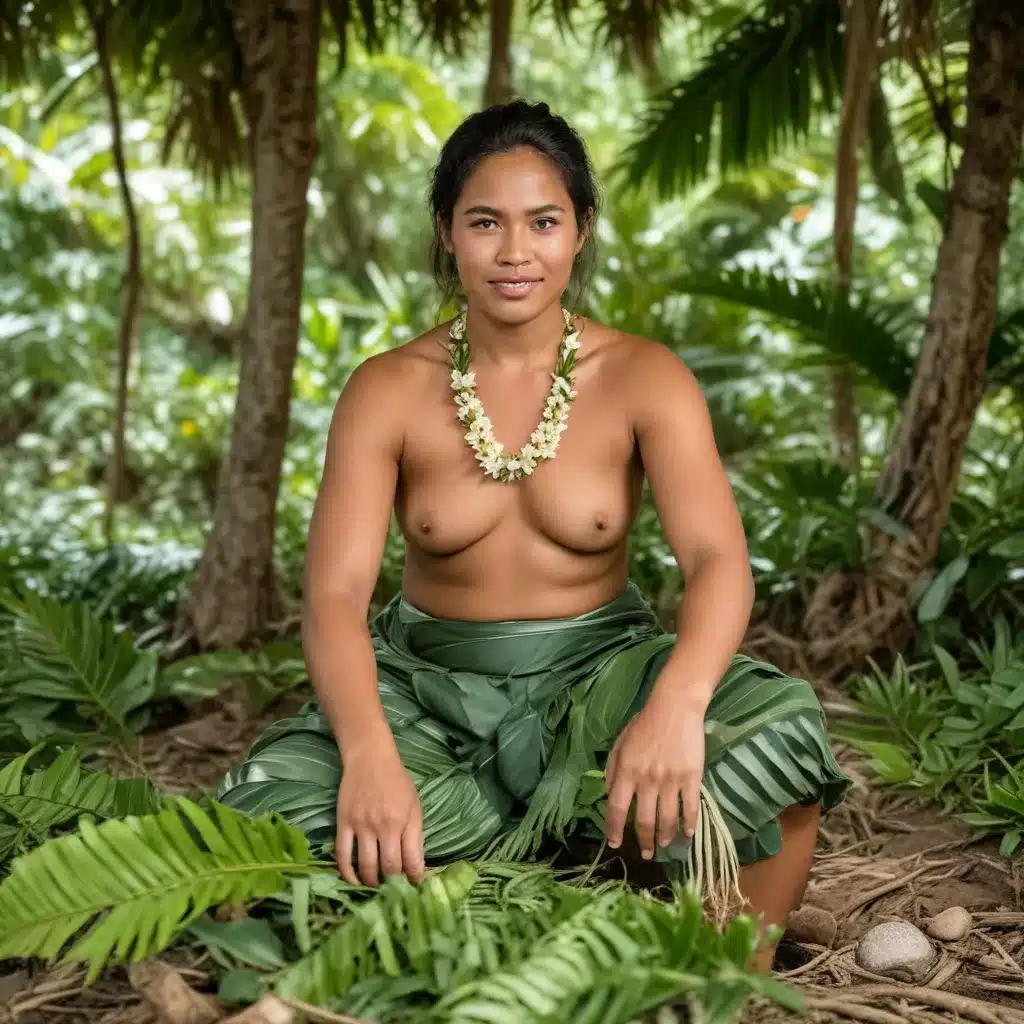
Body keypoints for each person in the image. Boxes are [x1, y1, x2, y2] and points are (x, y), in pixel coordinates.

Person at [215, 99, 850, 969]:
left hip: (603, 683)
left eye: (543, 222)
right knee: (256, 818)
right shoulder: (387, 389)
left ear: (581, 230)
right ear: (446, 232)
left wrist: (676, 704)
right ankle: (540, 863)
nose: (515, 253)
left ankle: (720, 983)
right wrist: (367, 754)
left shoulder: (644, 377)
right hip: (426, 696)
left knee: (780, 739)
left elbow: (716, 561)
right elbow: (333, 596)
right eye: (486, 222)